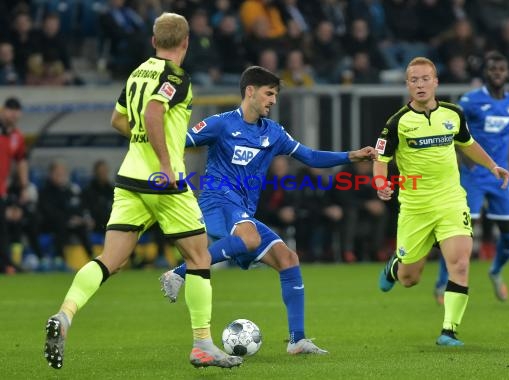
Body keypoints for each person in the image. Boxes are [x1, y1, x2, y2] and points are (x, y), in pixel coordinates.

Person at [43, 12, 243, 370]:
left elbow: (118, 120)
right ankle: (202, 345)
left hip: (130, 178)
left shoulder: (138, 72)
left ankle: (66, 314)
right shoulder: (176, 77)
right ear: (185, 43)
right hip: (164, 182)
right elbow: (153, 114)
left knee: (111, 259)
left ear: (154, 41)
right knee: (199, 259)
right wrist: (165, 162)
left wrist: (143, 143)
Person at [159, 65, 376, 354]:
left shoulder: (273, 133)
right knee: (251, 238)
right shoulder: (221, 124)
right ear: (250, 91)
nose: (273, 100)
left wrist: (351, 155)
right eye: (269, 93)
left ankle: (297, 340)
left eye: (275, 95)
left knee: (288, 259)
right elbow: (177, 142)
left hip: (243, 211)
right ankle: (179, 273)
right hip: (217, 202)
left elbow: (309, 156)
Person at [375, 57, 509, 347]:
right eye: (414, 80)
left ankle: (449, 331)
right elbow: (381, 158)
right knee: (410, 278)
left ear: (436, 82)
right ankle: (395, 266)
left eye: (426, 79)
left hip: (451, 200)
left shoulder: (454, 114)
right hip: (415, 207)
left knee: (460, 263)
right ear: (407, 85)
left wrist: (492, 166)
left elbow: (468, 144)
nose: (420, 84)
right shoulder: (397, 122)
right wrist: (381, 183)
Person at [434, 51, 509, 304]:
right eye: (493, 69)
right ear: (486, 73)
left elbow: (505, 136)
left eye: (501, 69)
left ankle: (495, 271)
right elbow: (453, 132)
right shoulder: (470, 101)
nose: (497, 73)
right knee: (459, 234)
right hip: (472, 177)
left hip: (499, 176)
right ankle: (442, 283)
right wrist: (467, 165)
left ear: (507, 73)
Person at [0, 97, 29, 274]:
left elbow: (21, 161)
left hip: (2, 190)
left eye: (16, 110)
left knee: (3, 229)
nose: (13, 114)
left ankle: (6, 264)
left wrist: (24, 186)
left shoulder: (17, 137)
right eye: (10, 110)